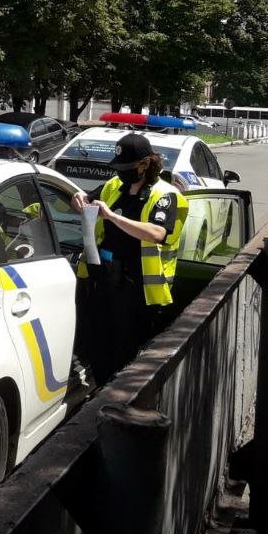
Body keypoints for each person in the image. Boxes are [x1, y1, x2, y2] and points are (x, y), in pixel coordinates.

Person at [71, 132, 188, 385]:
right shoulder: (115, 185)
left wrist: (113, 217)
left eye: (126, 168)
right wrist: (78, 198)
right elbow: (86, 200)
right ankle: (100, 392)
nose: (121, 173)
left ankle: (119, 400)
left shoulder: (164, 195)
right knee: (99, 348)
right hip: (104, 280)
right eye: (119, 168)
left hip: (137, 290)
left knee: (126, 356)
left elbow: (157, 233)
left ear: (145, 164)